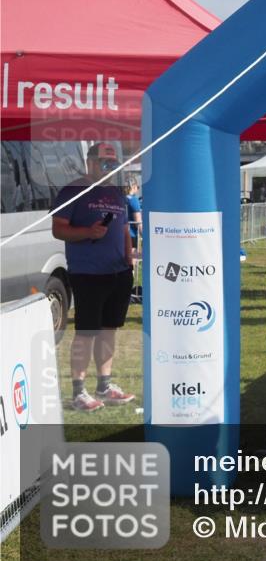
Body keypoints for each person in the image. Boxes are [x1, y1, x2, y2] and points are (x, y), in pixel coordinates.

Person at [51, 143, 135, 412]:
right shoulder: (73, 191)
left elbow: (123, 230)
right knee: (86, 332)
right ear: (90, 162)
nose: (109, 168)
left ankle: (105, 386)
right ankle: (78, 392)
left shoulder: (115, 194)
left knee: (109, 330)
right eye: (104, 163)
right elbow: (59, 230)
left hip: (118, 272)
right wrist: (88, 232)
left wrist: (129, 258)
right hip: (87, 273)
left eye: (113, 164)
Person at [123, 176, 142, 253]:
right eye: (137, 187)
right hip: (131, 235)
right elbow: (138, 222)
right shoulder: (134, 200)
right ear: (133, 187)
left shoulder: (119, 198)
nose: (137, 189)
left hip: (120, 233)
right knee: (132, 258)